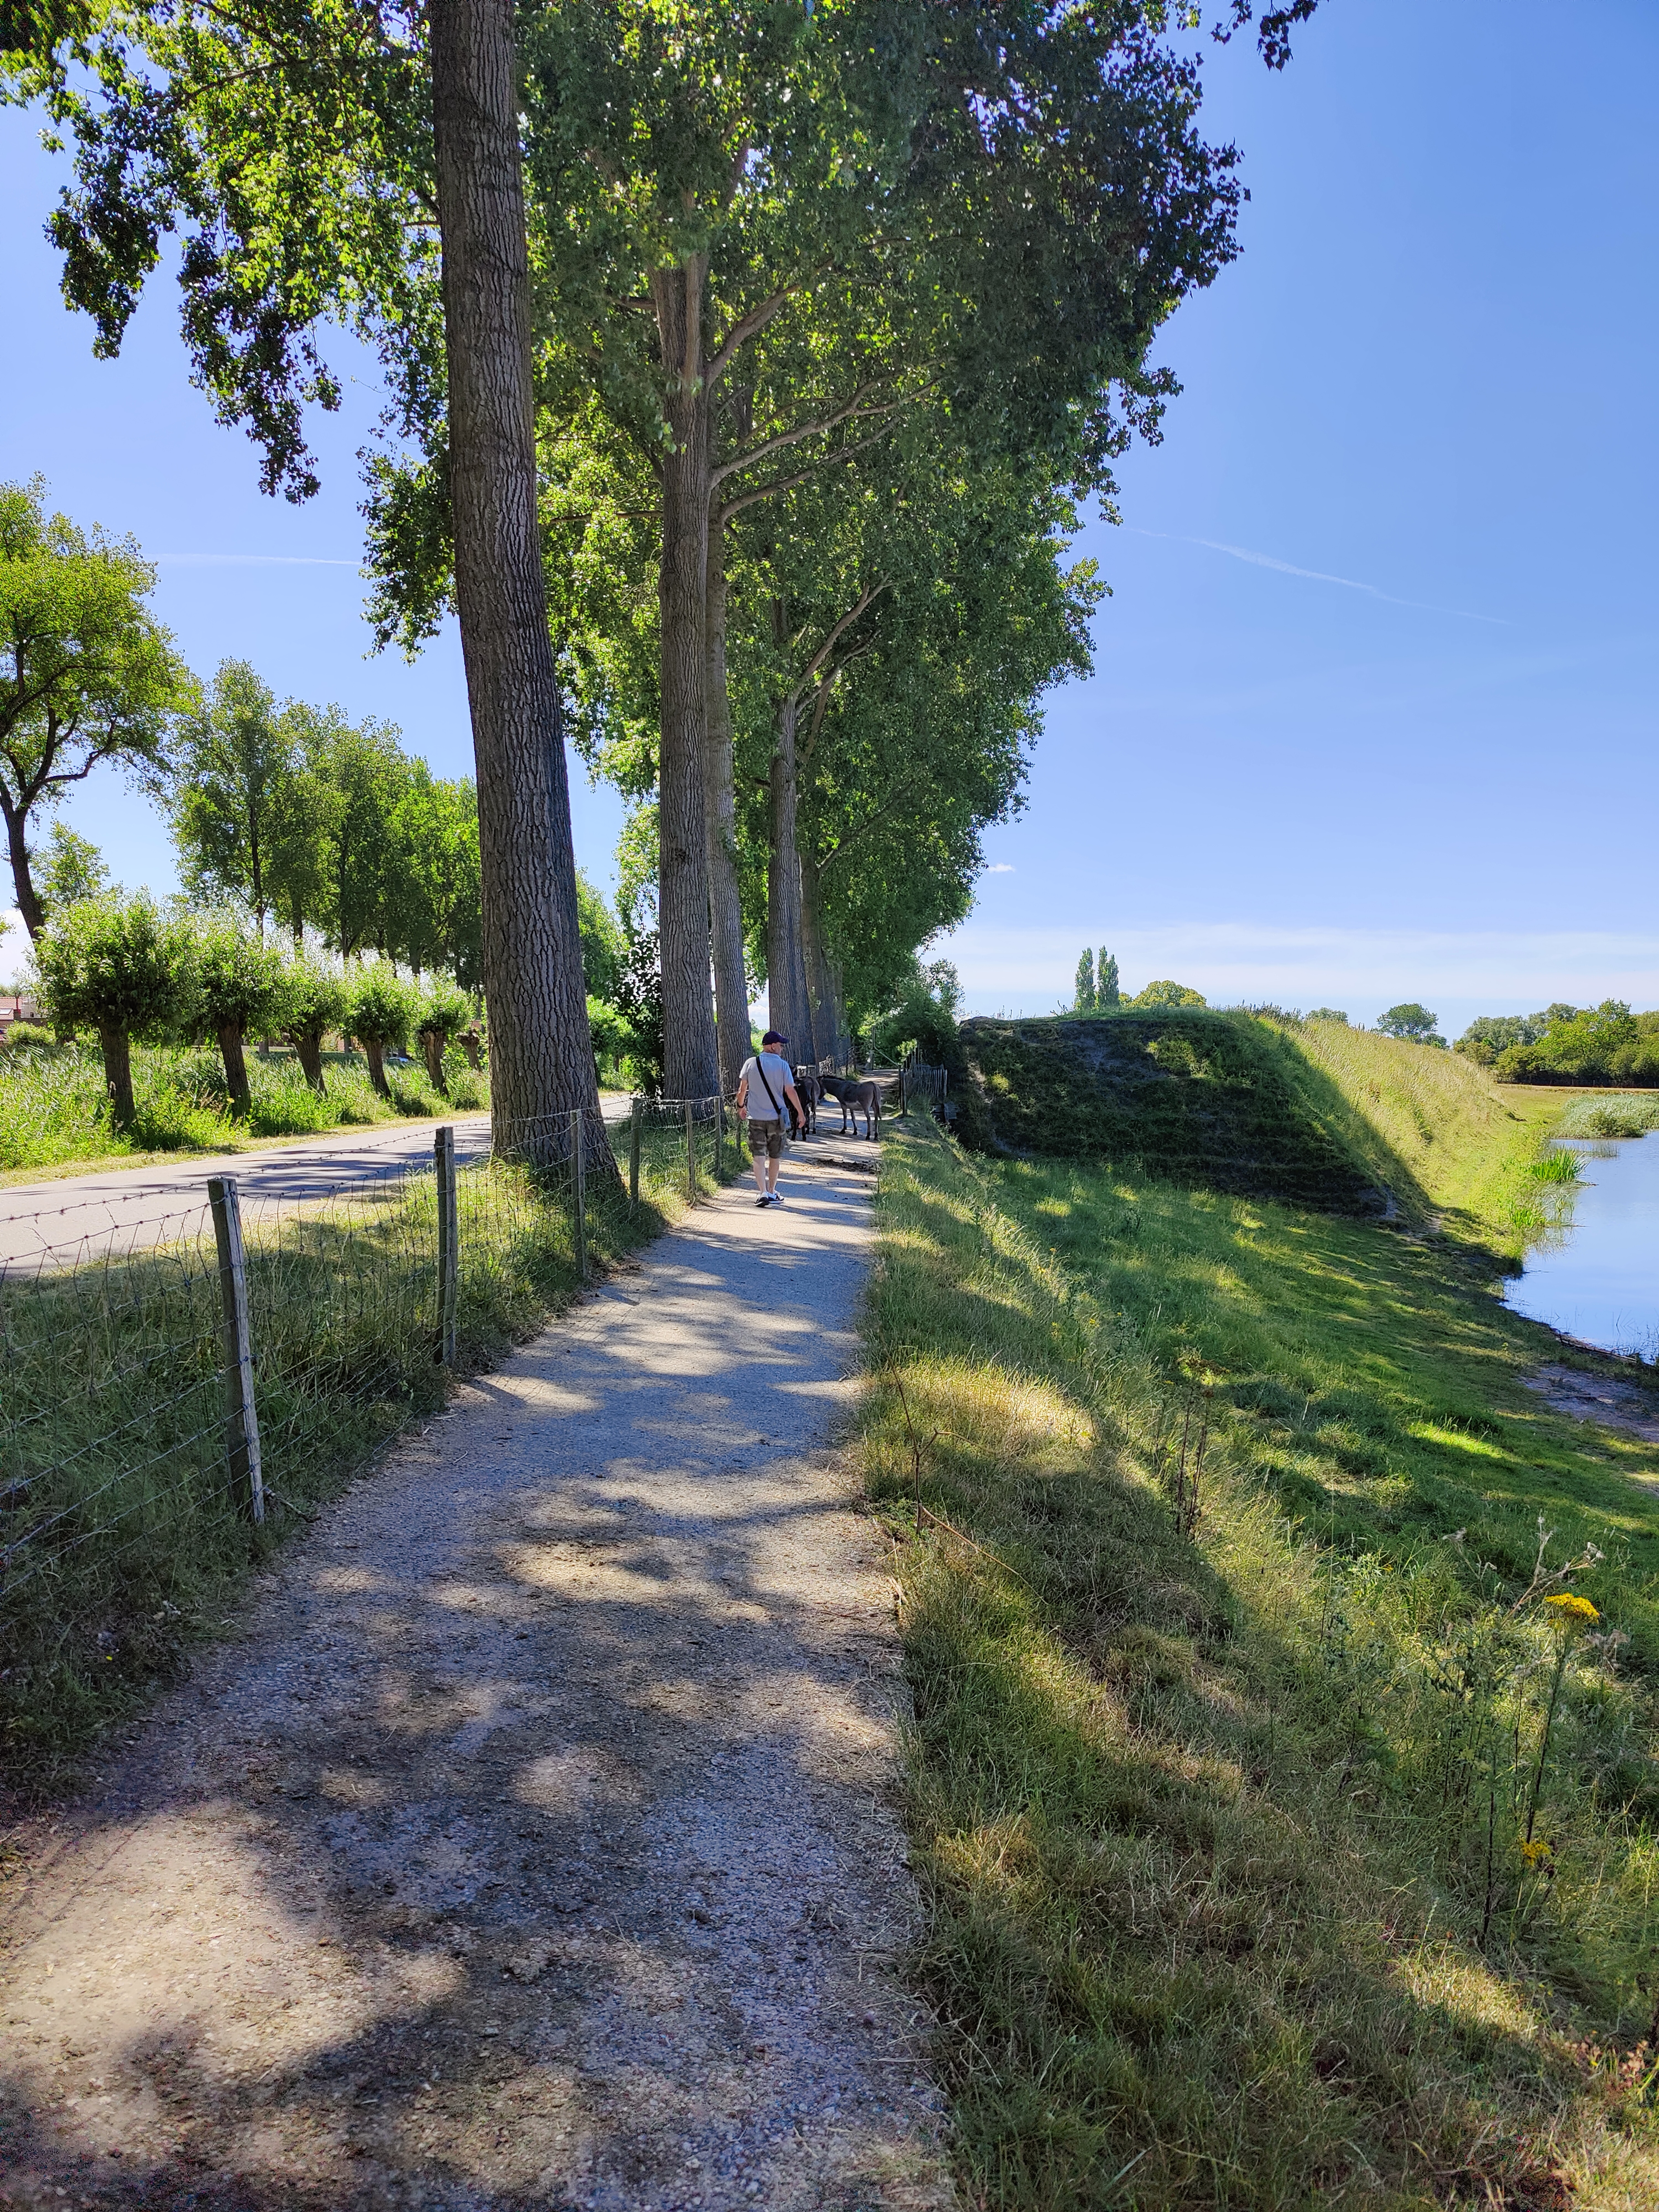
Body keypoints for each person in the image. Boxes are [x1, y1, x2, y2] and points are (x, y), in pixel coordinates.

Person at [734, 1031, 803, 1206]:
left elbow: (742, 1090)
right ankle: (772, 1192)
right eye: (781, 1045)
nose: (782, 1049)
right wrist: (801, 1113)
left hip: (755, 1118)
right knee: (775, 1156)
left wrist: (741, 1107)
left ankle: (763, 1192)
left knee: (758, 1157)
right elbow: (790, 1091)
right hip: (776, 1119)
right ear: (773, 1046)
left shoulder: (750, 1063)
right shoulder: (783, 1066)